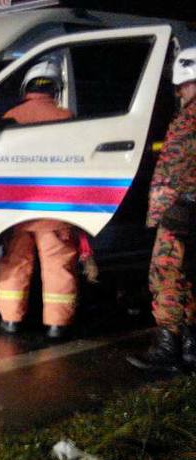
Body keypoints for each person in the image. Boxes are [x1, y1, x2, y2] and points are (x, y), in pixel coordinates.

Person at [0, 60, 91, 339]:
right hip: (55, 208)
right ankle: (56, 326)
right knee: (59, 267)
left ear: (27, 87)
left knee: (14, 265)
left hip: (16, 210)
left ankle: (11, 321)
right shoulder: (67, 117)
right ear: (55, 87)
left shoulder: (11, 116)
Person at [128, 46, 196, 371]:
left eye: (184, 84)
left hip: (180, 214)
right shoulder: (186, 116)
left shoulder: (192, 118)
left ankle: (168, 348)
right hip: (179, 212)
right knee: (185, 277)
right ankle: (189, 348)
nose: (180, 91)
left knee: (165, 274)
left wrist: (187, 203)